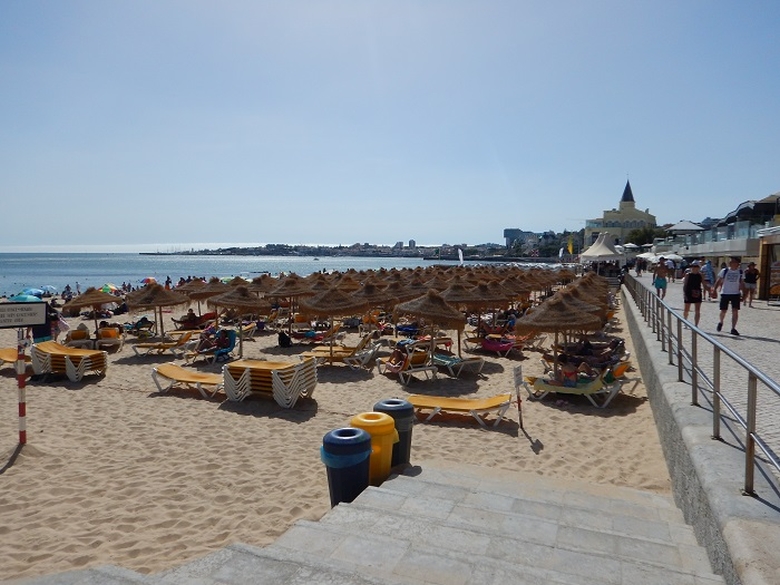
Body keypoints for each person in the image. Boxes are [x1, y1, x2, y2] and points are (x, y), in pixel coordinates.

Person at [713, 256, 745, 336]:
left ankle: (733, 328)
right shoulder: (725, 271)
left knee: (735, 311)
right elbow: (718, 280)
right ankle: (721, 322)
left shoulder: (740, 272)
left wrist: (744, 294)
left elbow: (742, 283)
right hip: (725, 293)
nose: (731, 263)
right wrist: (714, 290)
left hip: (735, 293)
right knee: (723, 310)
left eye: (733, 262)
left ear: (737, 263)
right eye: (730, 262)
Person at [682, 261, 704, 326]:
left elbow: (704, 283)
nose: (695, 268)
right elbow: (685, 285)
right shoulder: (688, 275)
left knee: (697, 310)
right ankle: (685, 321)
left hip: (697, 292)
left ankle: (696, 325)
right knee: (686, 309)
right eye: (694, 267)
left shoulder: (701, 275)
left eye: (697, 267)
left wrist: (710, 290)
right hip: (689, 292)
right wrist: (684, 293)